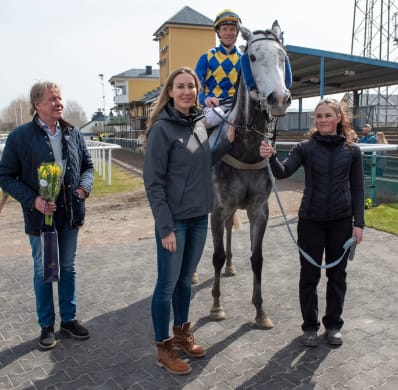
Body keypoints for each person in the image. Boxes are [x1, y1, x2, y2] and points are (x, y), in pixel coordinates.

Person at [143, 67, 234, 375]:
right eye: (180, 86)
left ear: (197, 91)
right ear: (170, 91)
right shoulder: (162, 129)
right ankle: (163, 348)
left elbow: (202, 158)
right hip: (175, 222)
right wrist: (165, 227)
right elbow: (153, 183)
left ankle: (182, 335)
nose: (186, 91)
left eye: (191, 87)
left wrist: (228, 141)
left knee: (184, 281)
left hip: (198, 217)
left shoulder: (197, 123)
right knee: (166, 285)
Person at [259, 98, 365, 347]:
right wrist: (271, 156)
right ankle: (309, 326)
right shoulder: (304, 148)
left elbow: (358, 188)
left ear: (338, 118)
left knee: (337, 276)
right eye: (319, 116)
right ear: (315, 120)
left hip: (340, 222)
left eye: (328, 115)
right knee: (309, 276)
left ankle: (333, 325)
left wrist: (358, 223)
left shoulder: (352, 151)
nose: (323, 120)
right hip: (310, 222)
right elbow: (282, 172)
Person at [0, 81, 94, 350]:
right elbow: (4, 176)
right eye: (52, 99)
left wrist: (85, 187)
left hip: (70, 214)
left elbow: (88, 166)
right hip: (41, 219)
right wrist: (34, 200)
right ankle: (46, 326)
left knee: (68, 268)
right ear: (37, 104)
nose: (58, 103)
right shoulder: (20, 137)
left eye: (60, 98)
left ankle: (69, 320)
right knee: (44, 271)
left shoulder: (73, 133)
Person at [195, 9, 242, 129]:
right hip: (214, 107)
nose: (228, 33)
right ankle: (194, 143)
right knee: (214, 116)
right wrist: (205, 99)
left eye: (232, 29)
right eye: (224, 29)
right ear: (218, 32)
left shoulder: (244, 59)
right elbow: (196, 87)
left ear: (237, 32)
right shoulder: (207, 57)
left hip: (237, 104)